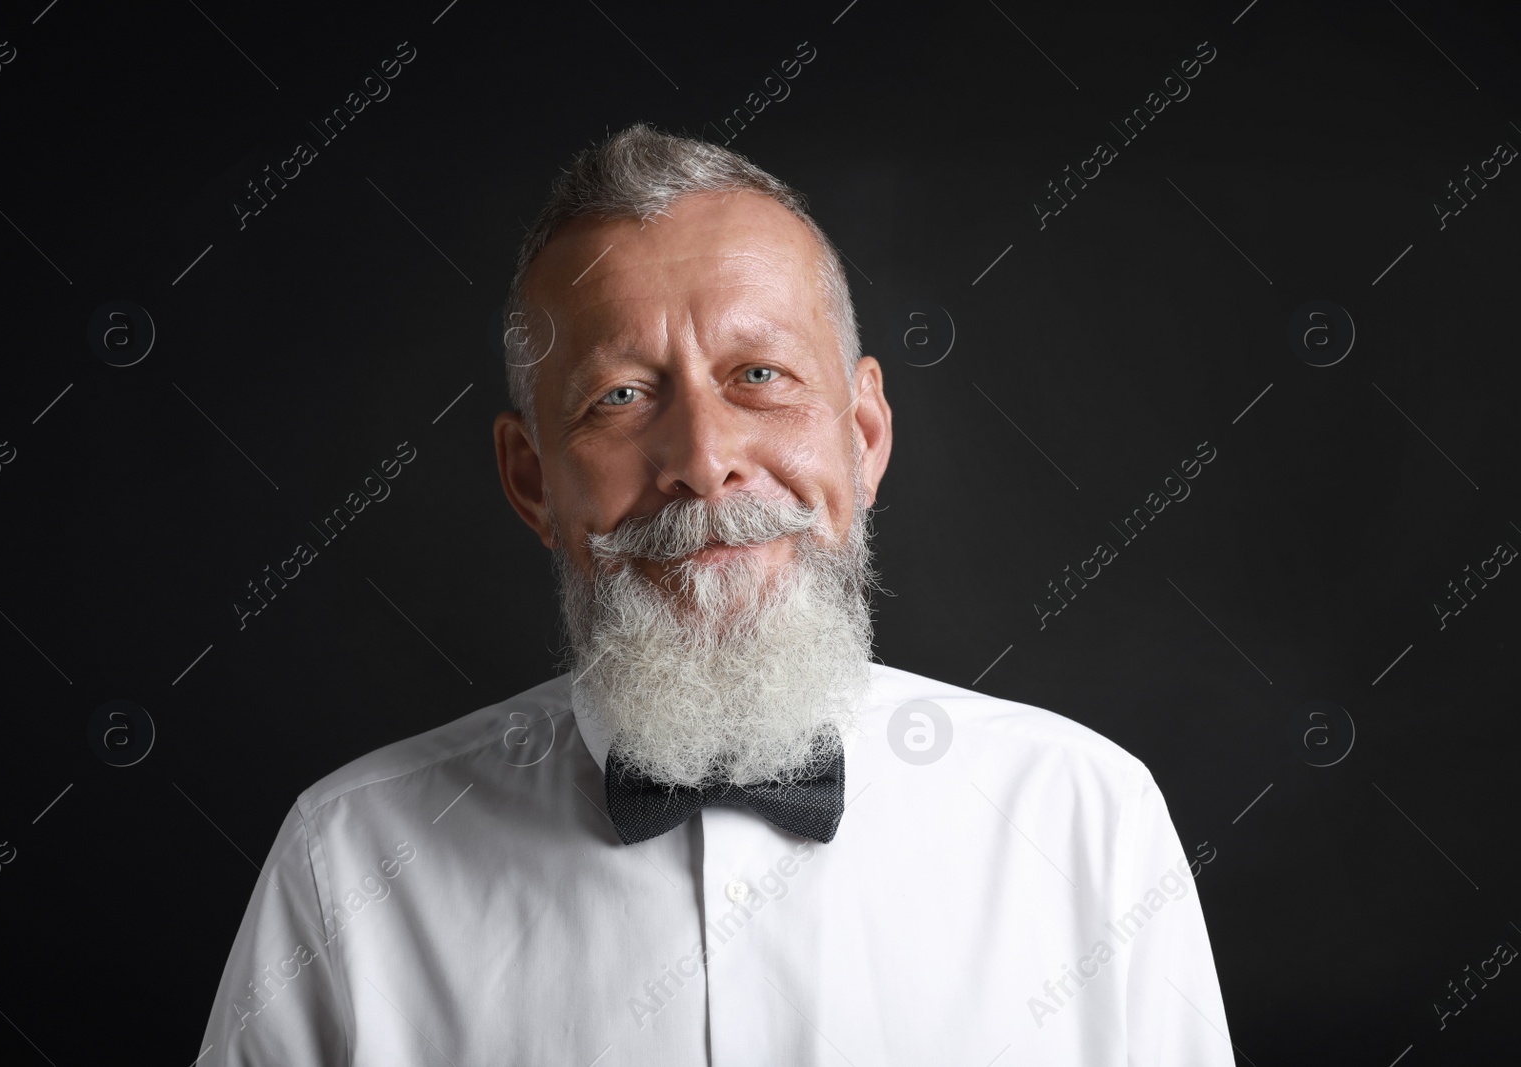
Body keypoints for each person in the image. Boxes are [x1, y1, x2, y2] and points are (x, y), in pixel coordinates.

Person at [199, 123, 1234, 1065]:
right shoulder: (345, 866)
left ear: (864, 435)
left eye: (760, 376)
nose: (702, 459)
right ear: (532, 481)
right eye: (619, 395)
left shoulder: (1084, 822)